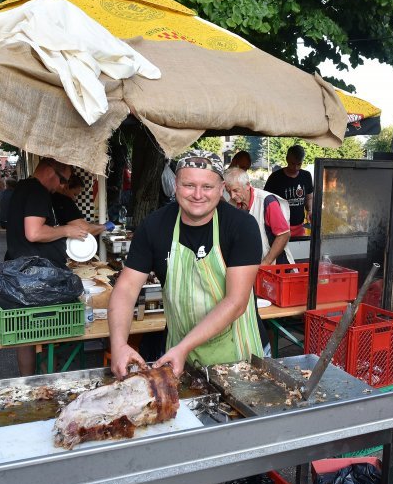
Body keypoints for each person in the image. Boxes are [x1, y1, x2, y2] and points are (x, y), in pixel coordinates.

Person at [108, 150, 264, 378]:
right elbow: (126, 288)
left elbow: (236, 302)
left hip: (238, 354)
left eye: (207, 187)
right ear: (175, 186)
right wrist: (119, 344)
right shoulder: (154, 226)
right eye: (189, 185)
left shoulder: (242, 226)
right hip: (178, 356)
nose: (198, 194)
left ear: (221, 189)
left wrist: (183, 347)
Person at [5, 158, 88, 375]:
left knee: (26, 333)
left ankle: (29, 381)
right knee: (52, 329)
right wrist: (66, 231)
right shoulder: (37, 191)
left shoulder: (23, 186)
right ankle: (48, 378)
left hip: (23, 272)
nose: (62, 186)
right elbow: (34, 232)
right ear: (50, 170)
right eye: (62, 181)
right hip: (37, 277)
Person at [225, 167, 294, 266]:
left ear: (247, 185)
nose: (232, 196)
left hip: (276, 266)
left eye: (236, 190)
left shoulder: (267, 201)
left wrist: (266, 262)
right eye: (228, 191)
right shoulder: (232, 204)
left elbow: (284, 235)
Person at [263, 145, 313, 237]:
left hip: (299, 227)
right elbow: (265, 201)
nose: (295, 168)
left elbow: (309, 197)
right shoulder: (275, 177)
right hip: (279, 227)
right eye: (292, 164)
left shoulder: (306, 176)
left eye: (299, 164)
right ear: (287, 159)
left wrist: (309, 210)